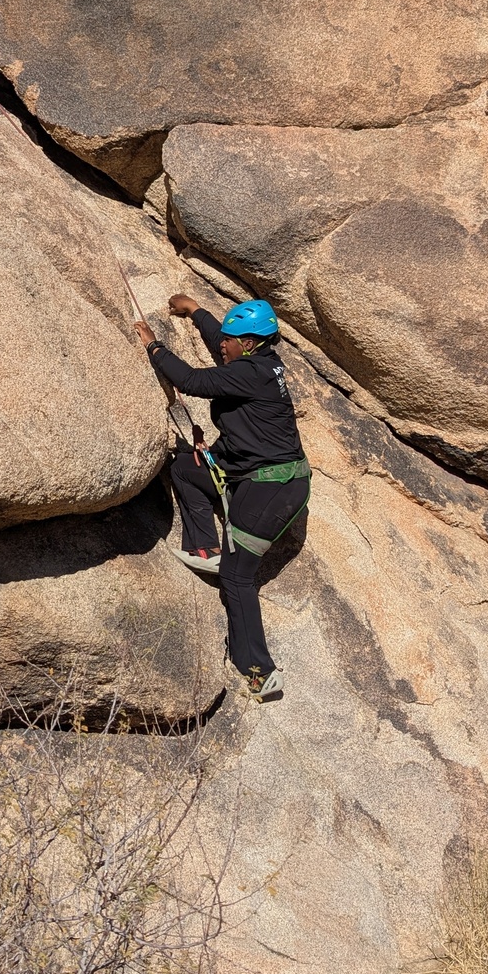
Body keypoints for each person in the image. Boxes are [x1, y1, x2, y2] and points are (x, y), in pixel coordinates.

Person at [134, 293, 310, 702]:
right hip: (249, 471)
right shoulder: (256, 361)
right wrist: (195, 311)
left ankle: (258, 672)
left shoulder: (252, 373)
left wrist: (153, 346)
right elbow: (220, 342)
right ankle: (203, 545)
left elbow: (192, 381)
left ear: (248, 343)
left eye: (230, 341)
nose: (222, 346)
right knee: (185, 469)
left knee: (236, 576)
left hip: (274, 486)